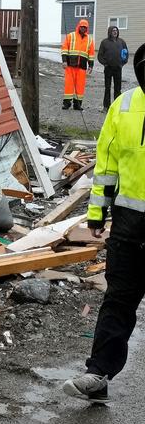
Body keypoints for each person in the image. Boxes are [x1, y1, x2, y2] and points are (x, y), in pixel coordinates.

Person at [62, 43, 145, 402]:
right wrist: (96, 214)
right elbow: (106, 169)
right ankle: (97, 375)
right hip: (129, 231)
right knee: (118, 303)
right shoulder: (124, 106)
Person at [60, 18, 96, 111]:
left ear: (87, 28)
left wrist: (91, 66)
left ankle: (77, 105)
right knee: (69, 85)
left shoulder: (90, 40)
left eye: (85, 27)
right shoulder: (70, 36)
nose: (83, 28)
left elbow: (91, 54)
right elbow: (64, 49)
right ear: (78, 27)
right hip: (70, 65)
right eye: (82, 27)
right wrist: (64, 61)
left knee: (80, 87)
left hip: (82, 67)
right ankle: (66, 104)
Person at [97, 25, 129, 111]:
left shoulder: (122, 42)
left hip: (118, 68)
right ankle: (106, 106)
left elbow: (126, 53)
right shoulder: (104, 42)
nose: (115, 32)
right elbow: (100, 55)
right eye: (113, 30)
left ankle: (117, 106)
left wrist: (122, 63)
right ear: (110, 32)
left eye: (116, 30)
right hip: (108, 69)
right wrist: (105, 64)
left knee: (117, 88)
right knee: (107, 88)